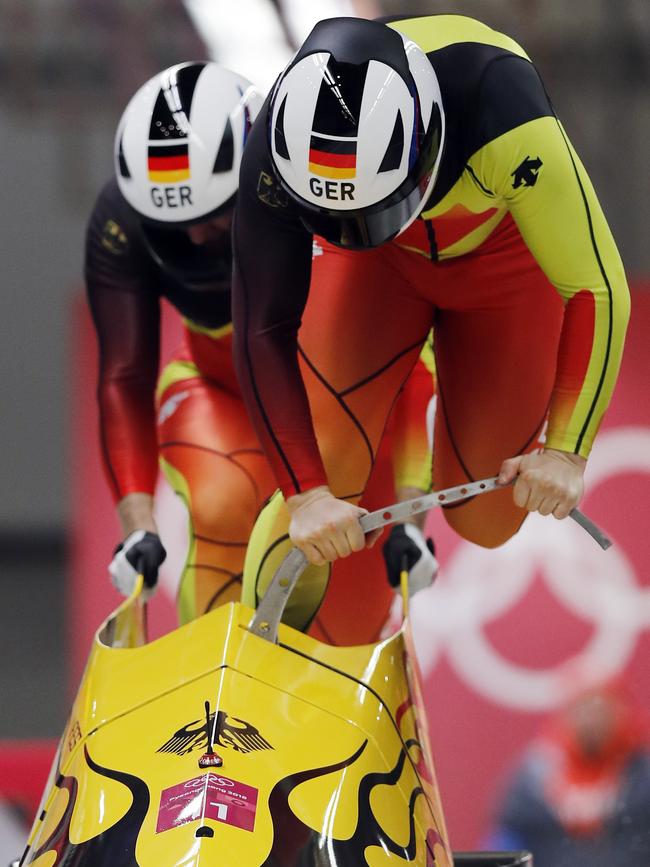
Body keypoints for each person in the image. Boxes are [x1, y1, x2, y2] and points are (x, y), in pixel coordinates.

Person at [231, 14, 630, 626]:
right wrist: (306, 493)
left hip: (504, 266)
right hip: (376, 269)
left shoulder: (503, 103)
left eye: (376, 207)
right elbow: (261, 327)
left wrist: (568, 452)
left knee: (488, 520)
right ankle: (257, 656)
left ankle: (414, 413)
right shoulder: (275, 144)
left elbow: (598, 287)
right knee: (320, 477)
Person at [85, 60, 437, 638]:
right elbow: (124, 375)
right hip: (218, 391)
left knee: (347, 589)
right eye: (176, 226)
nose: (198, 237)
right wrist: (137, 522)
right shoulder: (119, 221)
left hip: (334, 409)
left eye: (216, 216)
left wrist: (412, 514)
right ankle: (205, 710)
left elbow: (405, 366)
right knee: (223, 499)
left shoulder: (324, 185)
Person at [489, 682, 650, 867]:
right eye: (583, 710)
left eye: (600, 711)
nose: (591, 721)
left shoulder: (643, 779)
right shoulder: (532, 779)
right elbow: (506, 844)